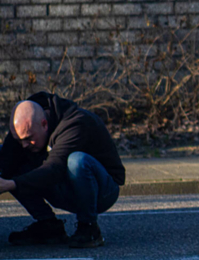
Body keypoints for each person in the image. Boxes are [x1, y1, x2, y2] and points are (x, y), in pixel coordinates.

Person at [0, 92, 125, 248]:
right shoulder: (25, 127)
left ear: (44, 124)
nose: (24, 144)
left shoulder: (76, 123)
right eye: (19, 140)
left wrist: (10, 184)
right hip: (63, 185)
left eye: (28, 138)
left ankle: (89, 228)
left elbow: (54, 169)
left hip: (103, 190)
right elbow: (6, 161)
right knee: (6, 156)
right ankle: (49, 226)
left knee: (77, 161)